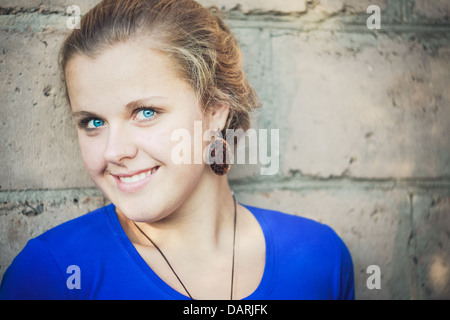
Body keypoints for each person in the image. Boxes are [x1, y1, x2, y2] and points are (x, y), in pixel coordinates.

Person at [0, 0, 354, 300]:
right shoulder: (51, 274)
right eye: (93, 122)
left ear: (215, 110)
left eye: (145, 113)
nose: (113, 152)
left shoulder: (319, 258)